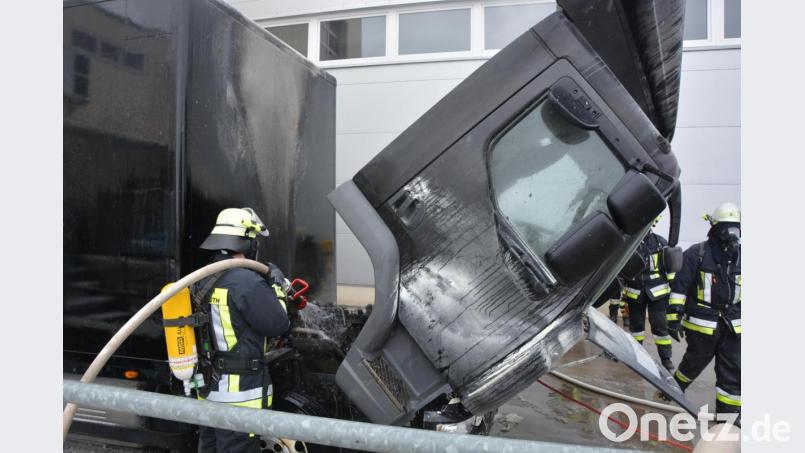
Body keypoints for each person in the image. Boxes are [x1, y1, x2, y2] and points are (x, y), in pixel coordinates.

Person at [195, 207, 291, 453]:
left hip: (209, 390)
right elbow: (278, 323)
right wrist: (278, 286)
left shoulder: (202, 279)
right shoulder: (245, 281)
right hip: (241, 396)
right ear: (247, 243)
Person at [667, 202, 741, 417]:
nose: (732, 233)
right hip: (702, 325)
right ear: (715, 227)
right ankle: (673, 390)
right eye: (727, 227)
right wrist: (673, 317)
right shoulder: (696, 253)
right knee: (693, 363)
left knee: (733, 372)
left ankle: (727, 418)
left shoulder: (743, 257)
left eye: (736, 227)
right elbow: (680, 287)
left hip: (733, 327)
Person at [622, 220, 675, 371]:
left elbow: (671, 271)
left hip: (658, 294)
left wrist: (674, 295)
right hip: (635, 292)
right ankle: (636, 356)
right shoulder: (630, 243)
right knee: (636, 328)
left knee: (660, 327)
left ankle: (666, 360)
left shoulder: (660, 243)